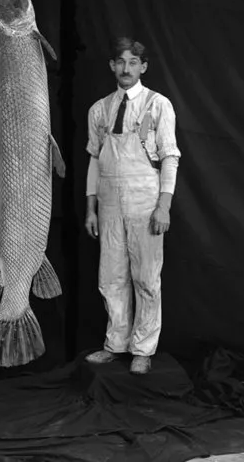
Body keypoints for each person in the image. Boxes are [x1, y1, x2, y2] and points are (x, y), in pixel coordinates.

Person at [85, 37, 181, 375]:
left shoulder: (158, 105)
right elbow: (95, 161)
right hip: (109, 202)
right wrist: (91, 208)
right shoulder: (99, 109)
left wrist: (164, 206)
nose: (126, 69)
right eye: (120, 62)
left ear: (143, 66)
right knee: (111, 278)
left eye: (132, 62)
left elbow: (169, 157)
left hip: (145, 201)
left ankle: (142, 348)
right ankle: (115, 344)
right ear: (112, 65)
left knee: (145, 278)